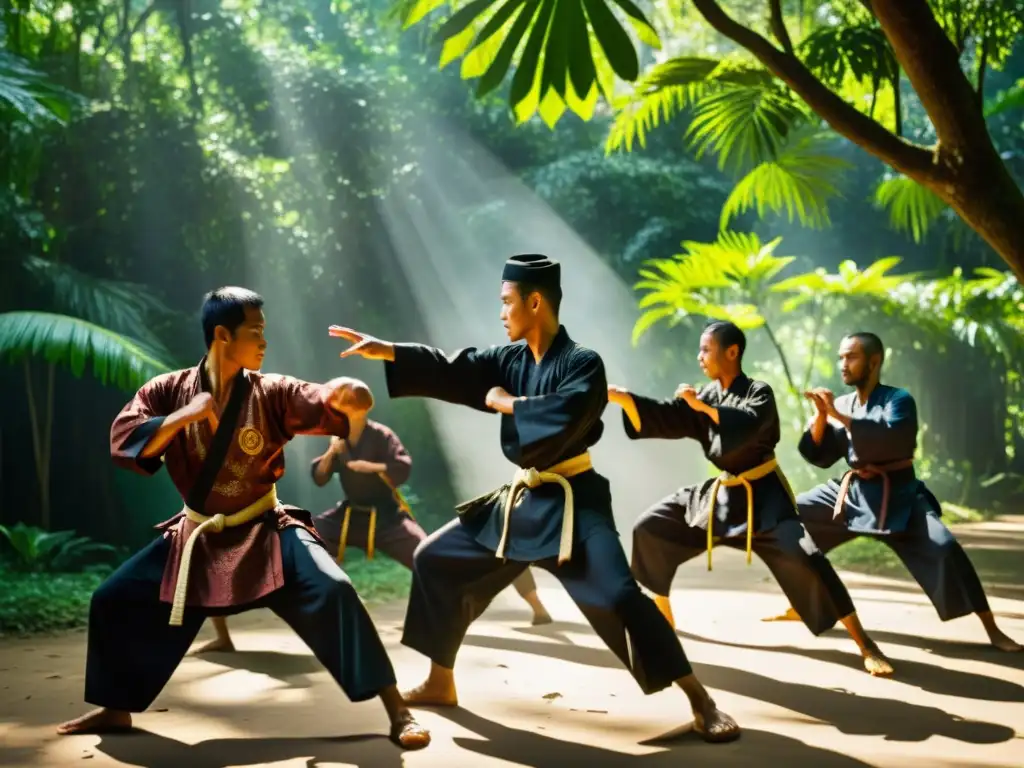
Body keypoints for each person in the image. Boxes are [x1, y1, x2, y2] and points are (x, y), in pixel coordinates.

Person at [328, 254, 741, 743]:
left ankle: (701, 700)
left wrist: (508, 403)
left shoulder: (583, 363)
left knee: (619, 595)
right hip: (524, 501)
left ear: (535, 301)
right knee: (435, 557)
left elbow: (565, 416)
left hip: (575, 503)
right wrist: (392, 352)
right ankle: (441, 681)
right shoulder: (509, 359)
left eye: (507, 302)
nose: (501, 313)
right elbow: (454, 368)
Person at [56, 287, 430, 749]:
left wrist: (345, 394)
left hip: (266, 530)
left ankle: (398, 711)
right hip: (199, 534)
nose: (263, 341)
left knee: (333, 588)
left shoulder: (270, 391)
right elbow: (126, 441)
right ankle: (117, 708)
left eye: (264, 332)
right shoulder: (167, 390)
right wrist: (181, 418)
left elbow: (319, 399)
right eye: (255, 332)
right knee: (113, 598)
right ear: (221, 335)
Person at [608, 321, 893, 676]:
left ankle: (866, 644)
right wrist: (623, 398)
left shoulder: (759, 391)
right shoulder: (706, 396)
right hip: (723, 495)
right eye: (699, 350)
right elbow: (666, 416)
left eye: (706, 350)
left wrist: (702, 408)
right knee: (650, 527)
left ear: (732, 352)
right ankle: (664, 623)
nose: (700, 357)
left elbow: (745, 425)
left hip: (764, 498)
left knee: (807, 558)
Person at [192, 382, 552, 655]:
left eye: (337, 401)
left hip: (388, 519)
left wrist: (375, 466)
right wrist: (332, 456)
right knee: (297, 544)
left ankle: (527, 593)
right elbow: (318, 475)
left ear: (358, 409)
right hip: (350, 516)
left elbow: (403, 466)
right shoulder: (337, 436)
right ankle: (264, 624)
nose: (328, 404)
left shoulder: (381, 435)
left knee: (435, 561)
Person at [763, 332, 1021, 653]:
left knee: (944, 548)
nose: (843, 364)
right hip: (853, 492)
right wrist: (820, 418)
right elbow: (820, 454)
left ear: (874, 362)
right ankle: (806, 603)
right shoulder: (842, 402)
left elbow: (894, 438)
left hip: (897, 495)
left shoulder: (899, 399)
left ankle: (993, 629)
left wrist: (839, 417)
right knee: (789, 517)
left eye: (851, 357)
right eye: (841, 357)